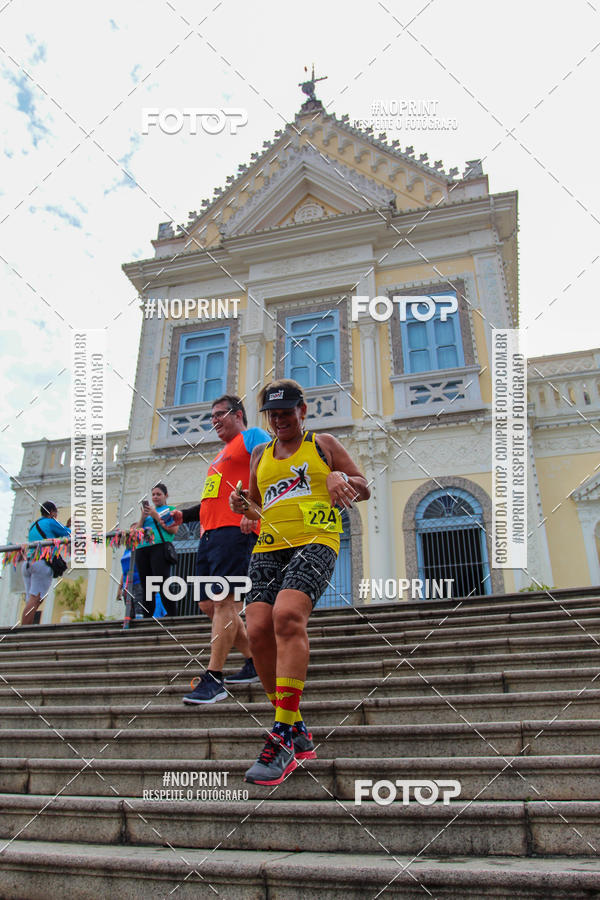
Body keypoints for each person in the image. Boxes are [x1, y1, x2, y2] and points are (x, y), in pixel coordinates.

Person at [229, 379, 370, 785]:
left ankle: (280, 737)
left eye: (286, 412)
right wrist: (243, 506)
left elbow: (363, 488)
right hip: (269, 546)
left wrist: (338, 478)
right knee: (257, 629)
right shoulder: (260, 454)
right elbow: (258, 506)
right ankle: (296, 728)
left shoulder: (323, 444)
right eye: (272, 415)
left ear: (302, 411)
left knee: (287, 616)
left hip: (316, 540)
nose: (279, 420)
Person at [174, 395, 270, 704]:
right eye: (211, 416)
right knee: (207, 605)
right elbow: (212, 499)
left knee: (225, 600)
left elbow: (270, 470)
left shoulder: (252, 436)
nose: (214, 420)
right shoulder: (218, 457)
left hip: (235, 531)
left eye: (219, 414)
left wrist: (253, 509)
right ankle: (256, 660)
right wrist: (184, 515)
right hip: (209, 536)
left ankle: (214, 679)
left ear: (238, 414)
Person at [21, 501, 71, 626]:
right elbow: (68, 533)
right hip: (41, 563)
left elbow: (51, 535)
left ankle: (25, 627)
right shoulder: (51, 522)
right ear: (52, 512)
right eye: (56, 512)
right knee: (35, 598)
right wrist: (70, 526)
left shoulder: (34, 524)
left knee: (31, 599)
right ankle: (23, 630)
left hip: (27, 563)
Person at [134, 483, 178, 617]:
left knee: (162, 582)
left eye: (159, 494)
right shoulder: (147, 513)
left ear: (166, 495)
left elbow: (173, 529)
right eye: (153, 494)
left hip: (159, 547)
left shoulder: (169, 509)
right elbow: (136, 533)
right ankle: (147, 617)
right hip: (142, 548)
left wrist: (155, 515)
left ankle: (172, 615)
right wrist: (142, 518)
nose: (155, 497)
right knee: (147, 586)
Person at [117, 524, 143, 628]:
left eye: (135, 529)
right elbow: (125, 570)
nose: (132, 531)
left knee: (139, 608)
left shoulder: (141, 546)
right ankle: (128, 627)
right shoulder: (127, 549)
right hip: (127, 583)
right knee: (129, 609)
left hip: (139, 581)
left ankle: (139, 629)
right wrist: (120, 587)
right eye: (131, 529)